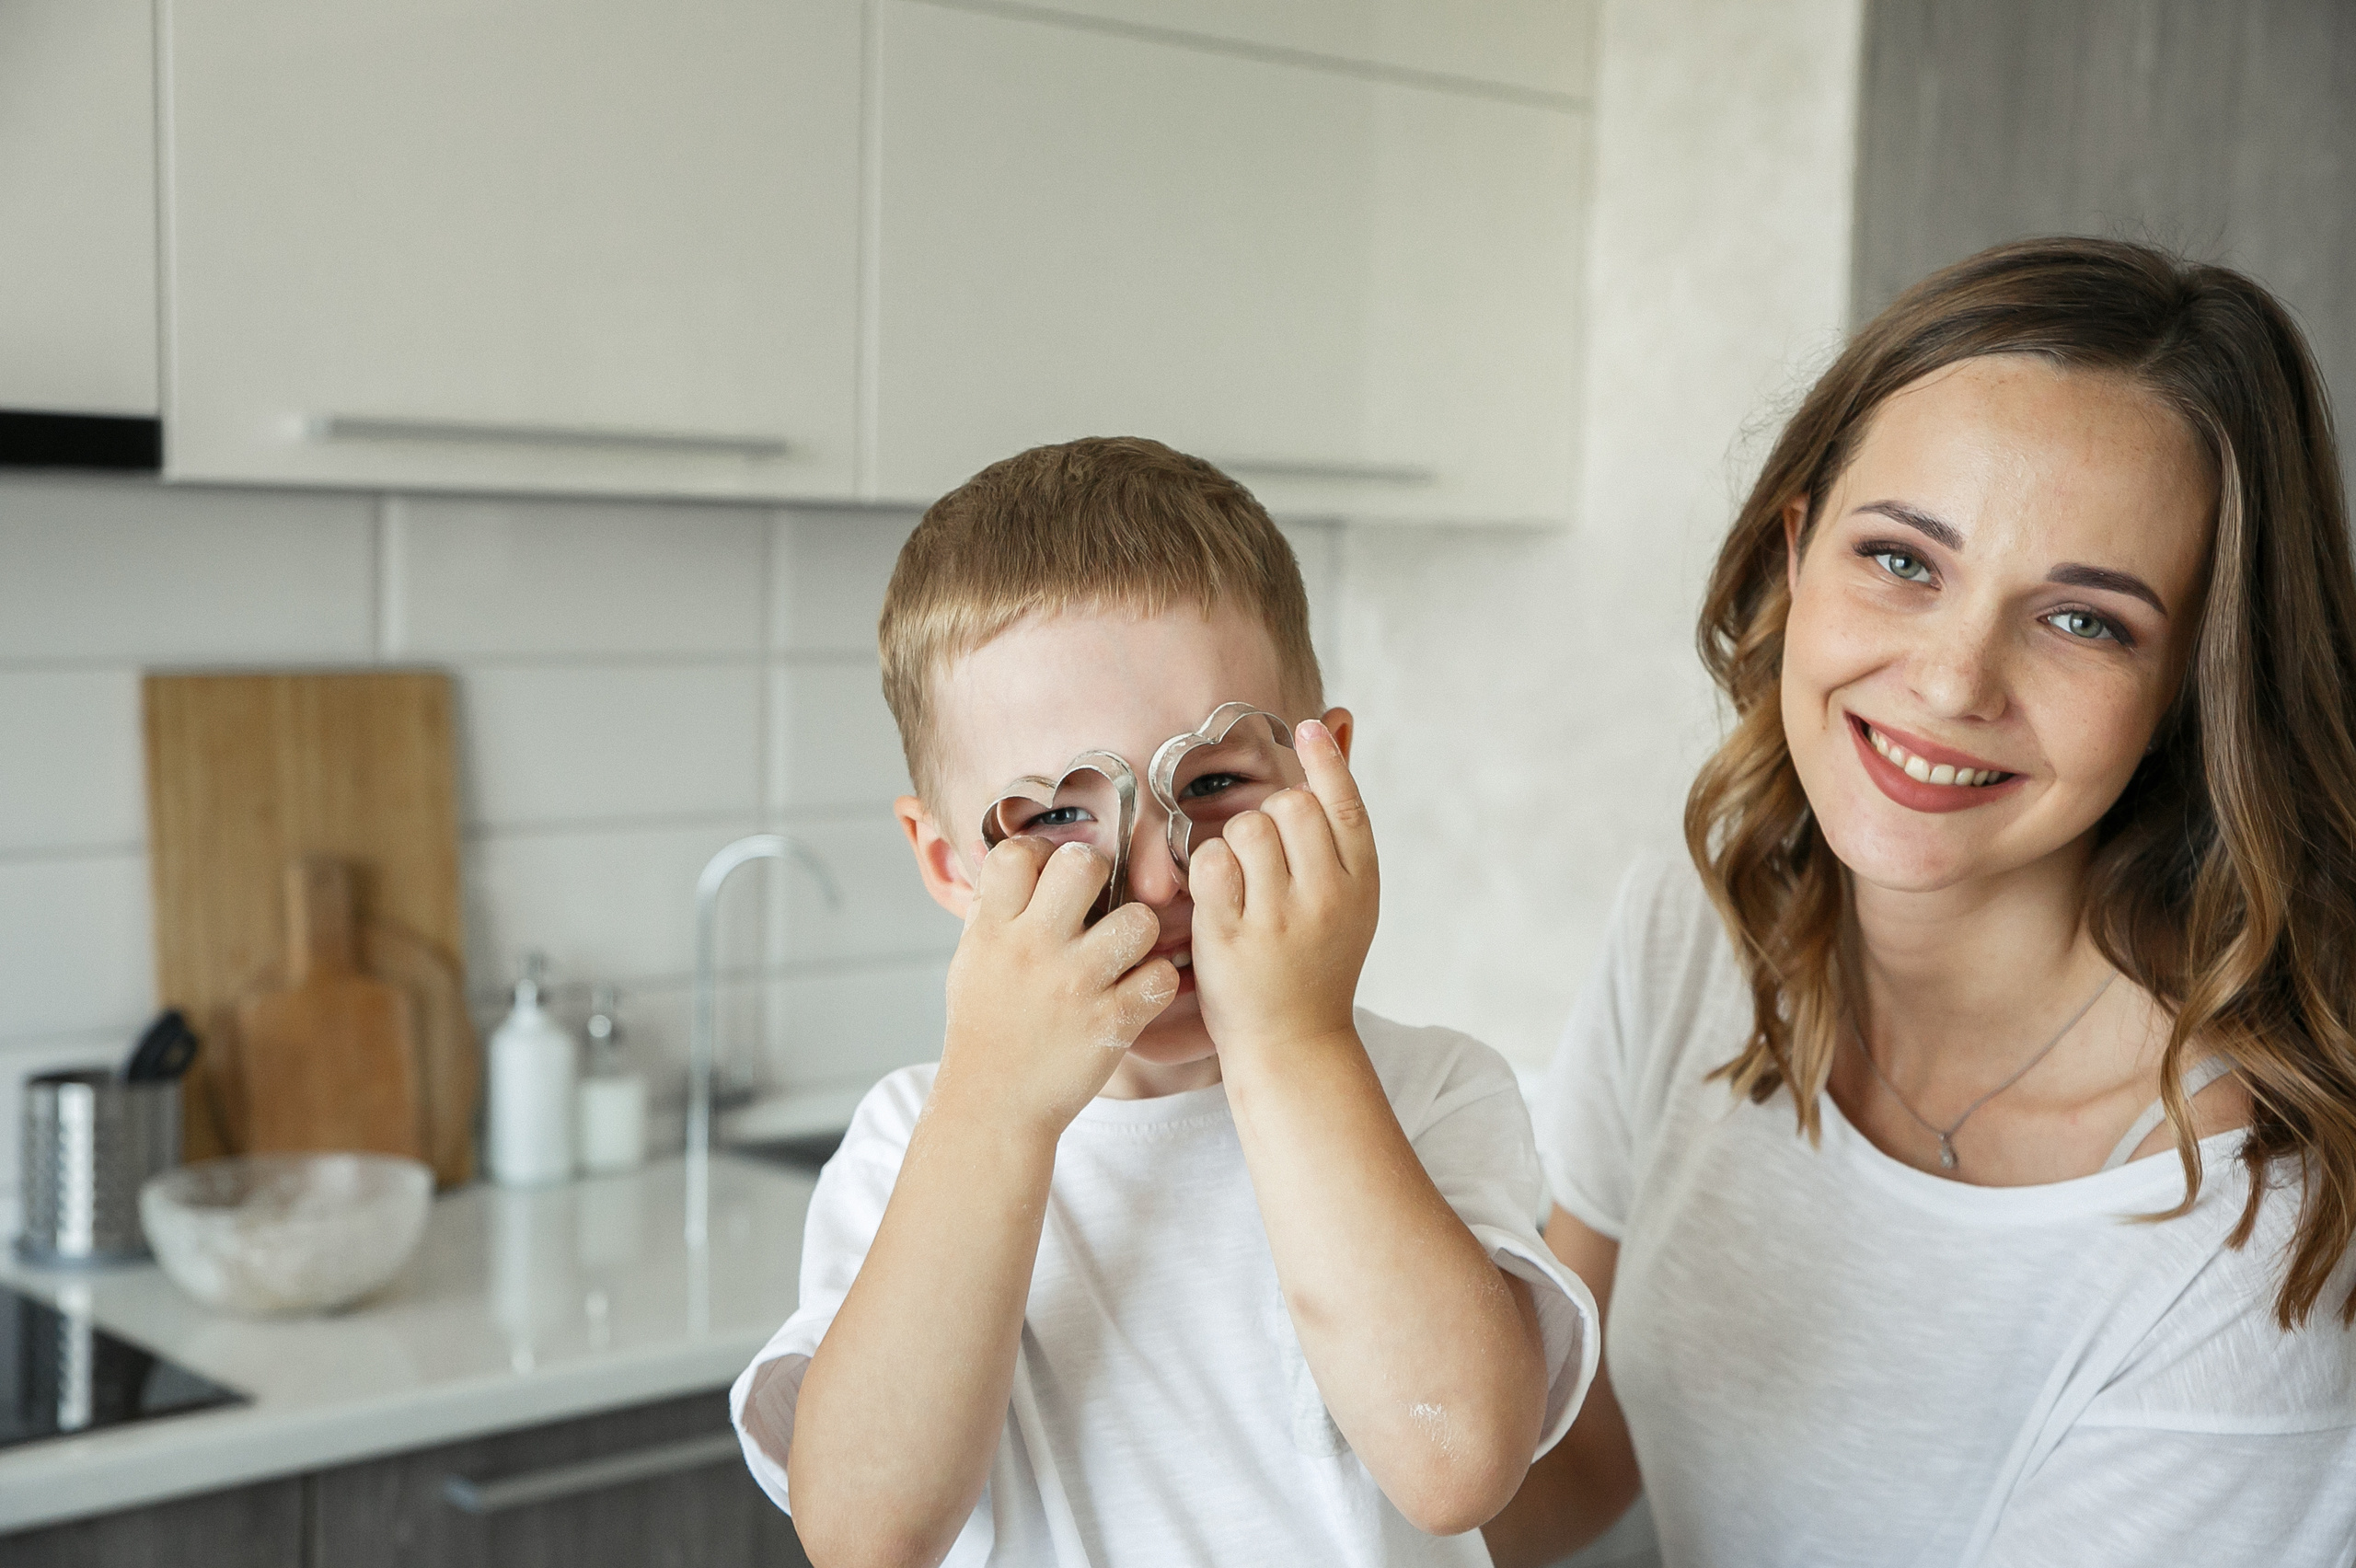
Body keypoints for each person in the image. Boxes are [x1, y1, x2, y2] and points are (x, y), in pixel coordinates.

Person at [1485, 238, 2356, 1568]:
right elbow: (1584, 1447)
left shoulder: (2252, 1230)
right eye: (1901, 559)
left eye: (2085, 622)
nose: (1953, 682)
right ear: (1797, 552)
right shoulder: (1692, 928)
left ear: (2191, 684)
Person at [732, 437, 1598, 1566]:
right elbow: (862, 1535)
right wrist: (995, 1112)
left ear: (1324, 773)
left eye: (1215, 785)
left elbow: (1458, 1466)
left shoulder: (1431, 1094)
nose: (1156, 877)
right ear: (948, 864)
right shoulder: (914, 1142)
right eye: (1056, 818)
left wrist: (1290, 1039)